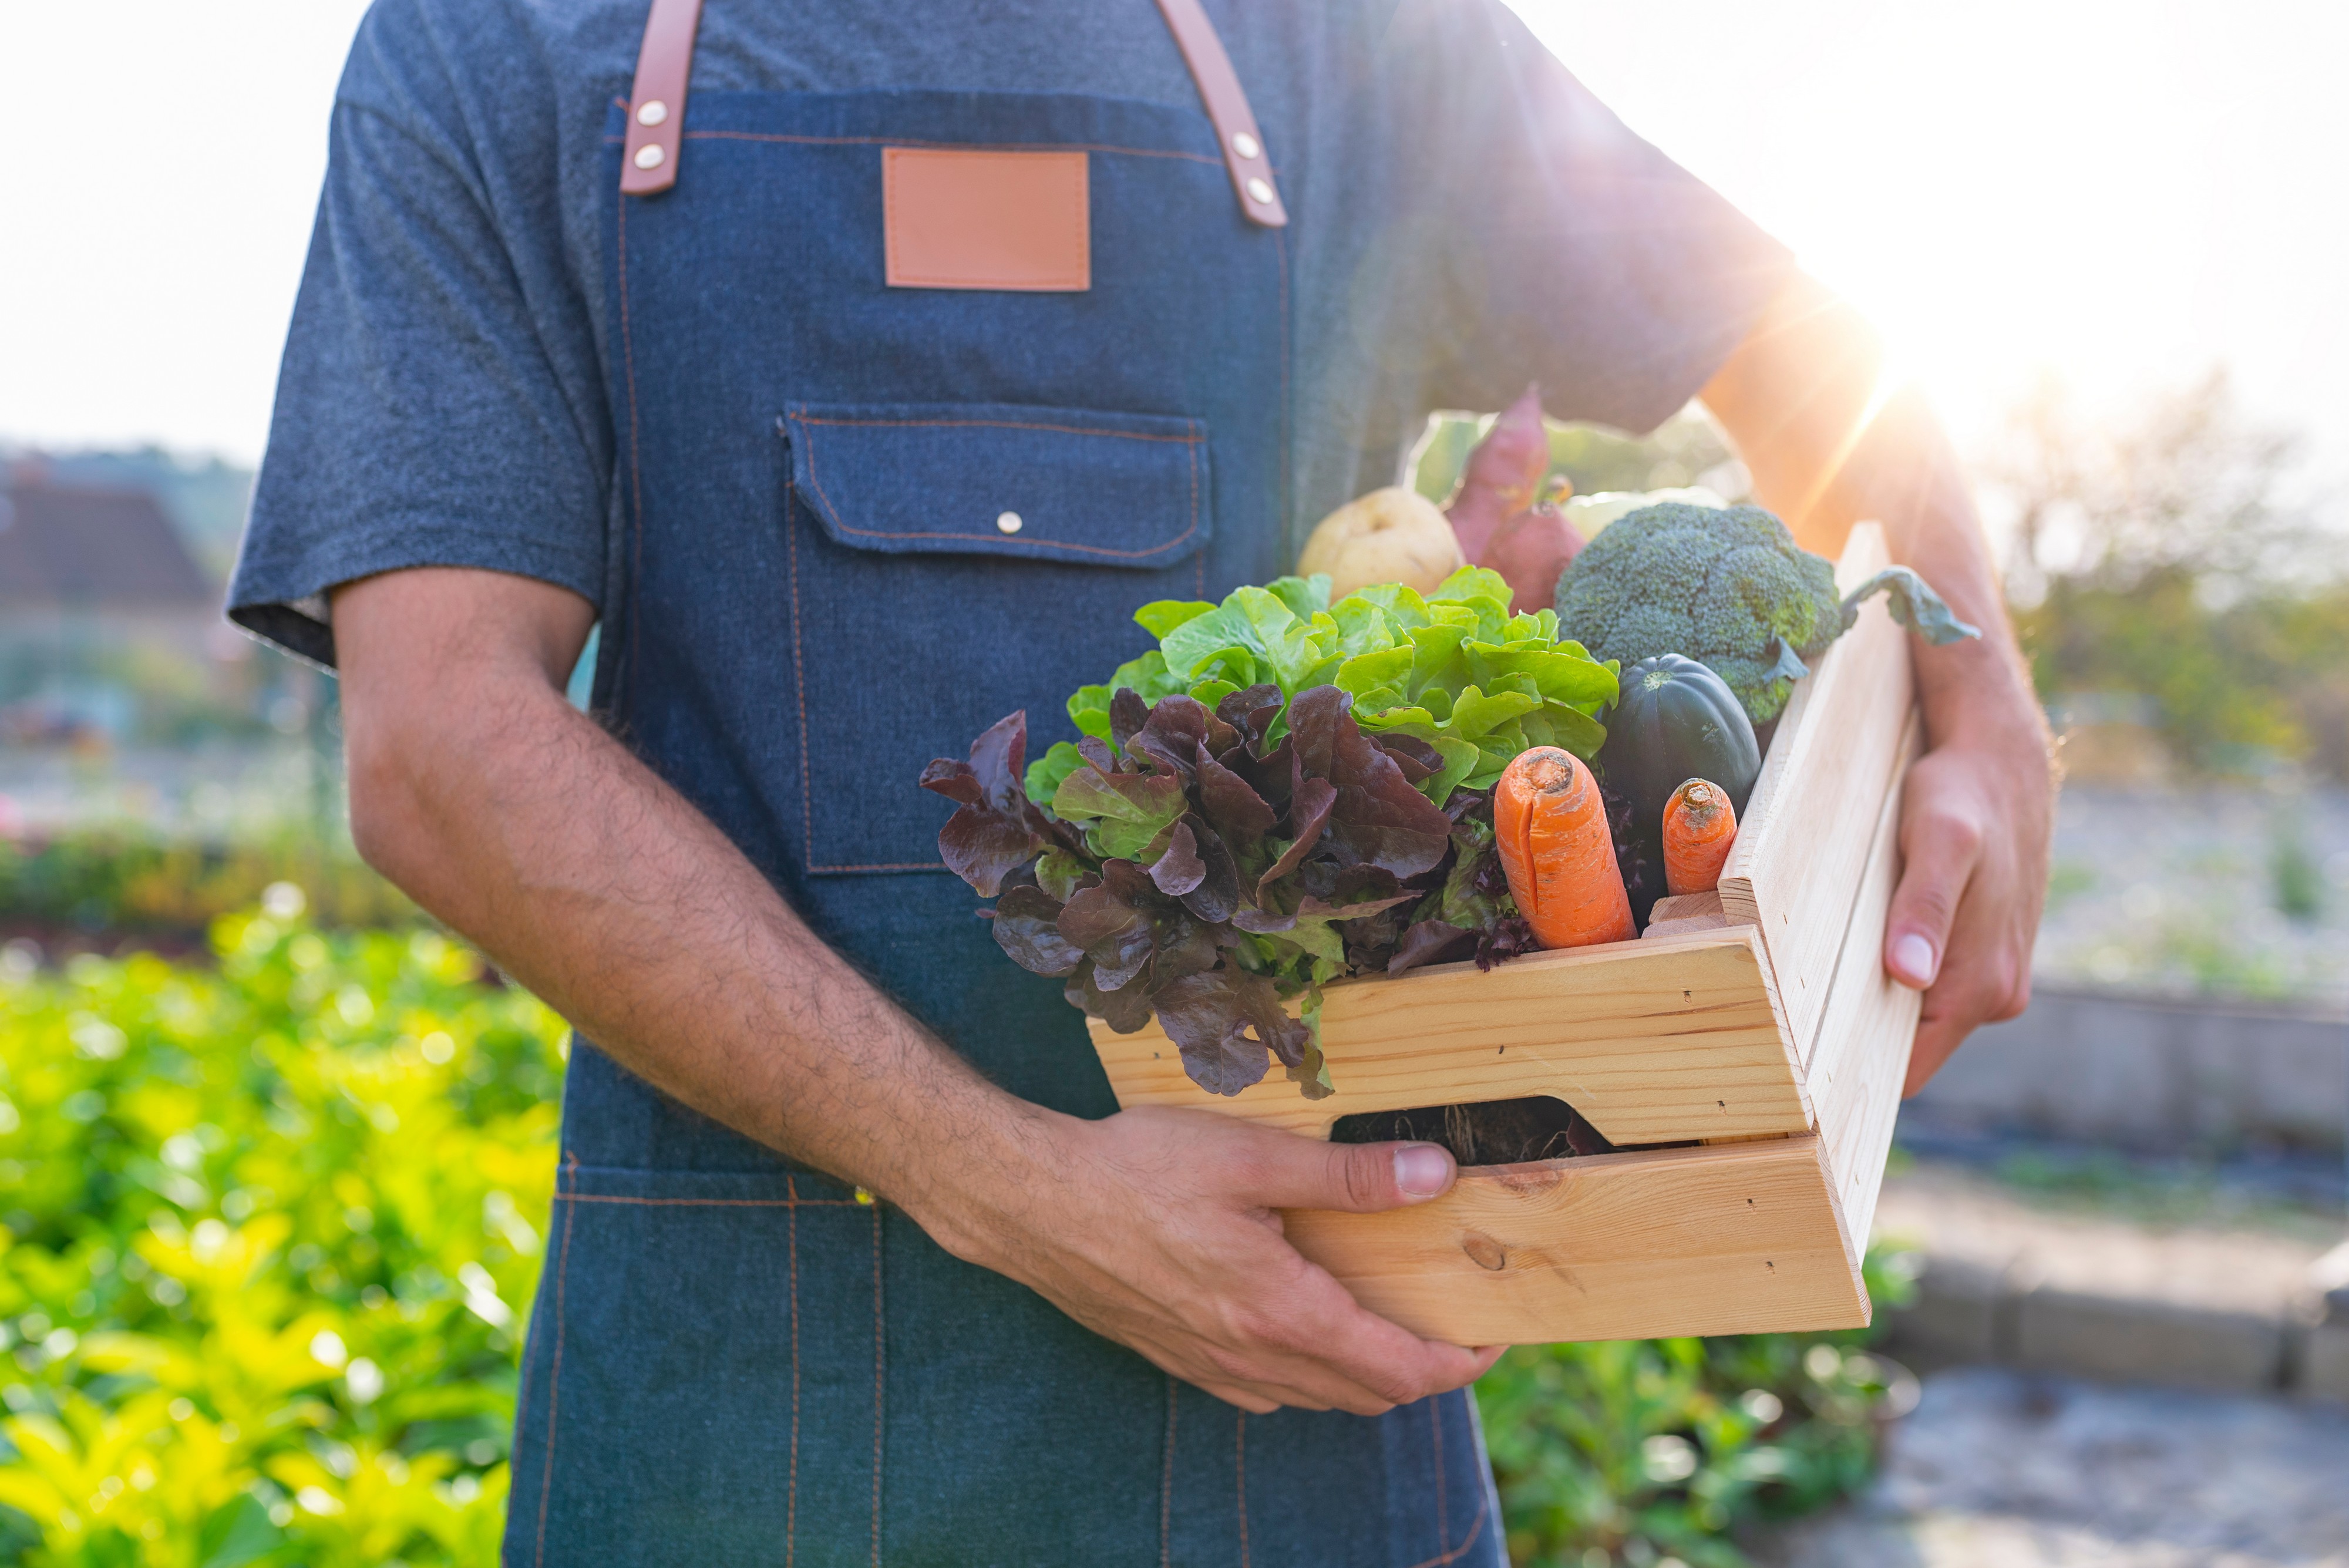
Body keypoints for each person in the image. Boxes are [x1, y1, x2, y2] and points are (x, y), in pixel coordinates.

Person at [229, 0, 2053, 1561]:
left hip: (1314, 1395)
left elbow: (1800, 337)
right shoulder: (502, 46)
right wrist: (1013, 1187)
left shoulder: (1347, 43)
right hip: (731, 1415)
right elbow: (442, 743)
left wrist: (1980, 696)